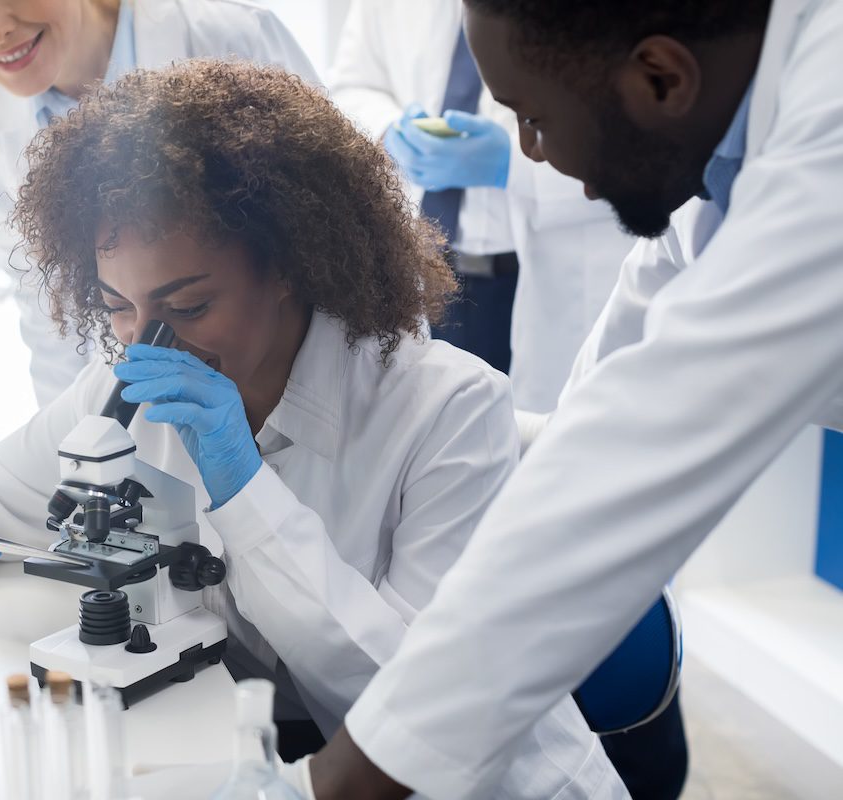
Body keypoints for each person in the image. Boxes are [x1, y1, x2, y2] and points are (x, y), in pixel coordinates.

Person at [0, 60, 627, 797]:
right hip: (285, 761)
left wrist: (244, 490)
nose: (146, 342)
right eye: (118, 306)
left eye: (188, 307)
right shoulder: (127, 389)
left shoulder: (451, 411)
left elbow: (405, 703)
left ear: (289, 262)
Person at [297, 0, 843, 798]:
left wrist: (340, 782)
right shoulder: (711, 171)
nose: (531, 153)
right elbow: (592, 420)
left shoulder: (828, 136)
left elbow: (621, 470)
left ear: (661, 78)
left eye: (534, 118)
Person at [0, 0, 318, 405]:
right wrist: (71, 439)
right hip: (133, 401)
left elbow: (335, 237)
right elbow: (42, 295)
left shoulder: (230, 36)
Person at [330, 0, 637, 413]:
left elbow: (639, 137)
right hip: (420, 270)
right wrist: (388, 131)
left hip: (537, 278)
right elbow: (353, 83)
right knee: (426, 434)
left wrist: (512, 162)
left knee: (535, 439)